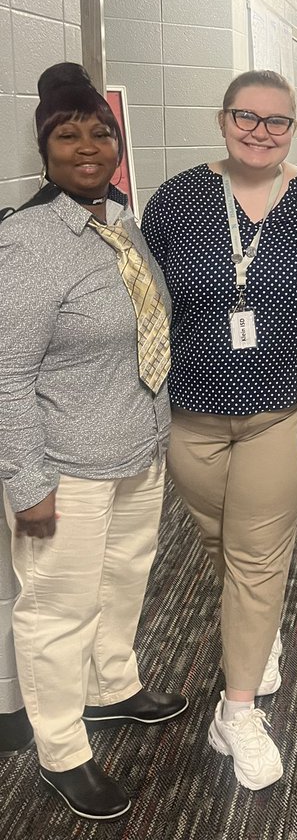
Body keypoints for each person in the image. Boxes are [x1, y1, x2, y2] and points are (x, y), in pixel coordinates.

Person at [141, 70, 297, 791]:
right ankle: (254, 640)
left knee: (258, 559)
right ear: (222, 118)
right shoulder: (176, 199)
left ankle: (238, 711)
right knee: (222, 549)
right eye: (246, 117)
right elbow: (147, 307)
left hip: (277, 413)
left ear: (295, 128)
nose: (260, 132)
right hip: (190, 413)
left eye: (277, 121)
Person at [0, 64, 185, 823]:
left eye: (98, 132)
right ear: (44, 150)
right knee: (56, 609)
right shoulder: (28, 241)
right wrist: (27, 482)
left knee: (124, 584)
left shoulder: (121, 220)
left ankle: (115, 686)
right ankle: (62, 752)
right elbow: (6, 376)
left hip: (137, 453)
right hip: (67, 469)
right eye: (66, 135)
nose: (87, 146)